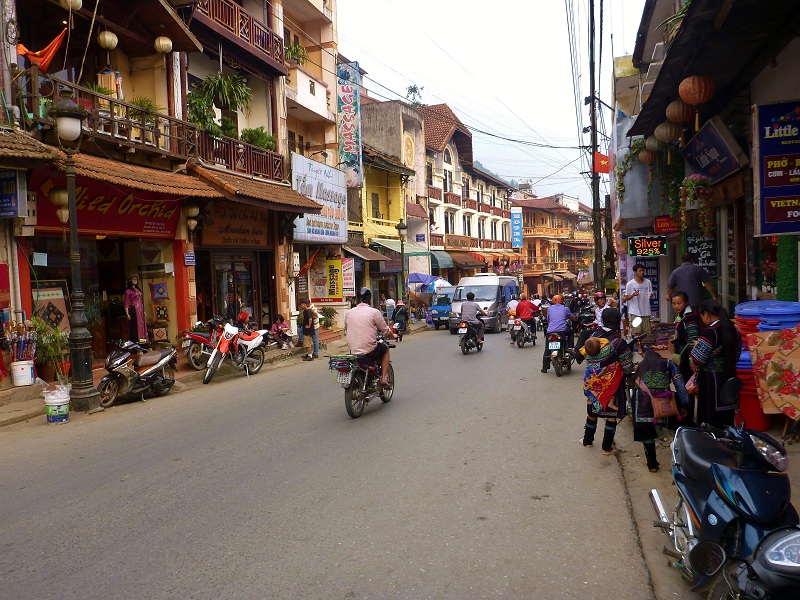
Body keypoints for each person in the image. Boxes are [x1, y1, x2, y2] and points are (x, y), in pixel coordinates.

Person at [579, 307, 633, 455]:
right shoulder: (619, 342)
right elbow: (627, 367)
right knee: (611, 416)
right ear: (618, 323)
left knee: (592, 412)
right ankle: (606, 448)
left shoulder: (593, 336)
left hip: (593, 383)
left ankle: (587, 441)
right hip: (612, 385)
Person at [631, 349, 690, 472]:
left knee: (646, 432)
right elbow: (679, 384)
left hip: (641, 404)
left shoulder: (640, 366)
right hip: (664, 404)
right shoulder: (668, 363)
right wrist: (684, 404)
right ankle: (681, 460)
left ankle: (652, 465)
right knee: (679, 427)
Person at [690, 300, 741, 428]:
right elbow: (737, 353)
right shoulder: (733, 329)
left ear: (706, 314)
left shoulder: (710, 332)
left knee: (711, 418)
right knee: (728, 412)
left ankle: (712, 442)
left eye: (702, 317)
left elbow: (698, 359)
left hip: (711, 380)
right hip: (729, 376)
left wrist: (697, 346)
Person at [344, 287, 396, 386]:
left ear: (358, 299)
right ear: (369, 299)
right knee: (385, 348)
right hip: (368, 351)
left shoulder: (348, 313)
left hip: (353, 351)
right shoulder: (374, 312)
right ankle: (384, 378)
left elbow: (347, 329)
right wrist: (393, 335)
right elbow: (385, 330)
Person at [671, 292, 701, 421]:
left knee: (687, 387)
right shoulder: (681, 316)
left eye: (679, 303)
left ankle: (687, 416)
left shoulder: (690, 318)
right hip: (681, 356)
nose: (676, 306)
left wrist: (691, 360)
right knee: (683, 385)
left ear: (686, 303)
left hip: (687, 358)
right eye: (674, 303)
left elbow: (693, 340)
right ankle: (685, 414)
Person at [623, 263, 654, 354]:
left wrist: (651, 295)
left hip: (645, 311)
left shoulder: (648, 282)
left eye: (643, 271)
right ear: (635, 272)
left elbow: (650, 293)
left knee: (645, 332)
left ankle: (642, 346)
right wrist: (633, 295)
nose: (642, 272)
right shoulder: (630, 284)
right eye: (640, 271)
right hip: (634, 311)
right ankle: (639, 348)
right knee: (636, 332)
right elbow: (625, 298)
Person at [572, 291, 609, 364]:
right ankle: (577, 351)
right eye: (600, 300)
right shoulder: (597, 310)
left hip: (605, 330)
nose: (602, 301)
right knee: (584, 333)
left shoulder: (607, 309)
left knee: (590, 338)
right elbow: (597, 321)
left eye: (603, 299)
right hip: (599, 328)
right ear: (596, 301)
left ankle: (579, 353)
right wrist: (590, 324)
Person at [541, 294, 575, 373]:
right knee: (571, 332)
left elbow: (548, 320)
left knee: (547, 349)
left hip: (551, 331)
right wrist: (574, 318)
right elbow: (572, 317)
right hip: (562, 331)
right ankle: (570, 348)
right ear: (562, 301)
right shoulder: (565, 308)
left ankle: (544, 368)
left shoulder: (549, 309)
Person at [124, 273, 147, 343]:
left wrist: (144, 311)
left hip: (140, 310)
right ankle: (136, 346)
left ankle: (143, 344)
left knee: (142, 328)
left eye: (136, 279)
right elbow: (126, 303)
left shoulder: (138, 290)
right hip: (134, 310)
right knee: (135, 327)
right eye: (134, 279)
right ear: (130, 281)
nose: (135, 280)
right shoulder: (128, 291)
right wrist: (127, 314)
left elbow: (141, 301)